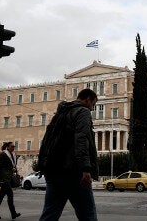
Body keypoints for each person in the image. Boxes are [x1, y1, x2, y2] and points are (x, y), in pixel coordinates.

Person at [38, 88, 98, 221]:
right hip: (72, 171)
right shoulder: (83, 111)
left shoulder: (61, 112)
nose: (92, 109)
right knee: (88, 213)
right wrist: (86, 168)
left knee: (50, 214)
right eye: (93, 104)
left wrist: (42, 165)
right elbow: (81, 140)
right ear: (87, 99)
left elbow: (47, 139)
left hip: (53, 170)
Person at [0, 142, 21, 219]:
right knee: (10, 195)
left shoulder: (13, 155)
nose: (13, 148)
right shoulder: (3, 155)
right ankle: (13, 214)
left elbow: (10, 166)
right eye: (12, 146)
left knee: (0, 198)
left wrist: (13, 169)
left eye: (14, 146)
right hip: (3, 178)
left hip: (8, 178)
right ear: (8, 147)